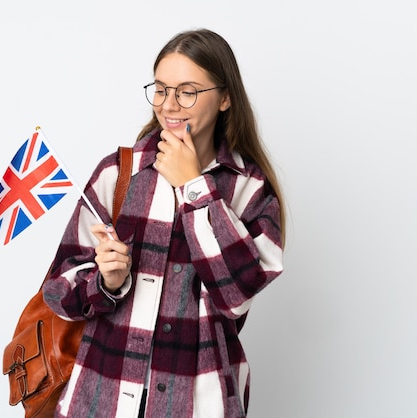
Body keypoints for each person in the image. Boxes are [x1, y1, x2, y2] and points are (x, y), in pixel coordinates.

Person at [42, 28, 286, 418]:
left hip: (198, 403)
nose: (170, 104)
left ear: (225, 98)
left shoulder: (250, 190)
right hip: (100, 399)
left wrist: (194, 187)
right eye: (161, 89)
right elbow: (57, 291)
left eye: (187, 91)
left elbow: (237, 296)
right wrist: (105, 282)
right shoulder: (118, 174)